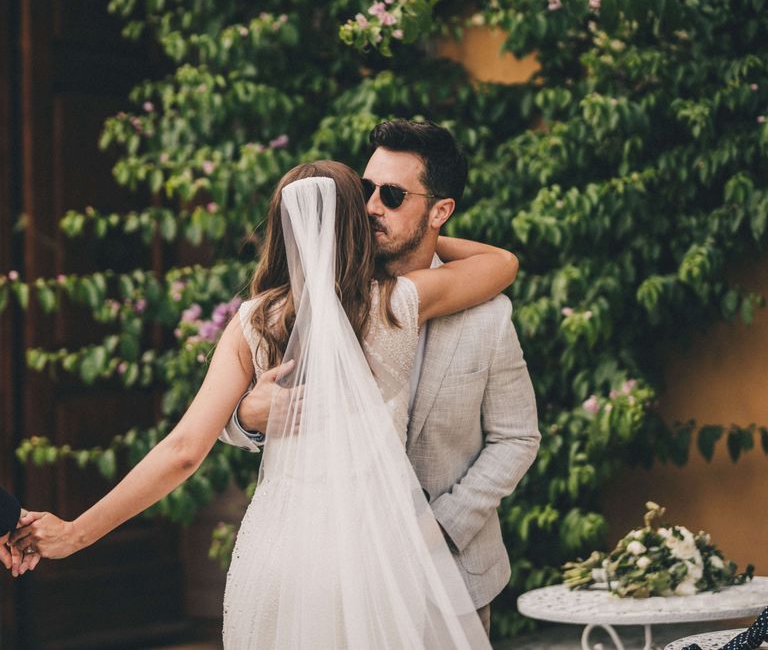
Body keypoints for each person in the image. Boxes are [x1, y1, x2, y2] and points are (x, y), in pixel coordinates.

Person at [11, 159, 518, 647]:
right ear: (357, 227)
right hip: (380, 549)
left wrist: (76, 533)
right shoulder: (401, 301)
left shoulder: (252, 322)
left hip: (282, 549)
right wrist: (351, 231)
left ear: (281, 229)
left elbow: (184, 450)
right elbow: (500, 263)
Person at [220, 120, 541, 634]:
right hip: (336, 577)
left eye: (392, 195)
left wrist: (439, 527)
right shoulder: (323, 298)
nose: (371, 206)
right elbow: (237, 411)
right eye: (366, 189)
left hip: (454, 574)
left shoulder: (488, 313)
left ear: (441, 210)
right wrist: (247, 418)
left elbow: (517, 436)